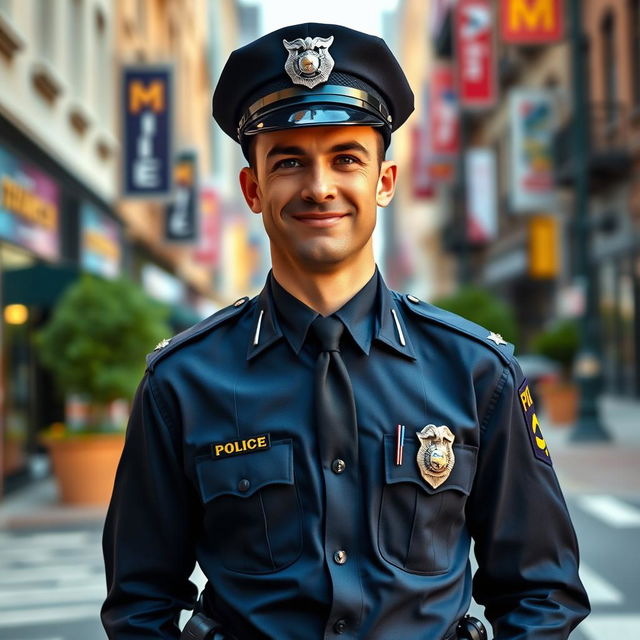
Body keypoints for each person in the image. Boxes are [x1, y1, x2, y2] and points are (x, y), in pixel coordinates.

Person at [101, 22, 590, 640]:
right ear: (253, 189)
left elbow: (540, 591)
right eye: (289, 161)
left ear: (383, 182)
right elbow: (139, 604)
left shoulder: (475, 373)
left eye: (346, 158)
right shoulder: (181, 382)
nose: (320, 186)